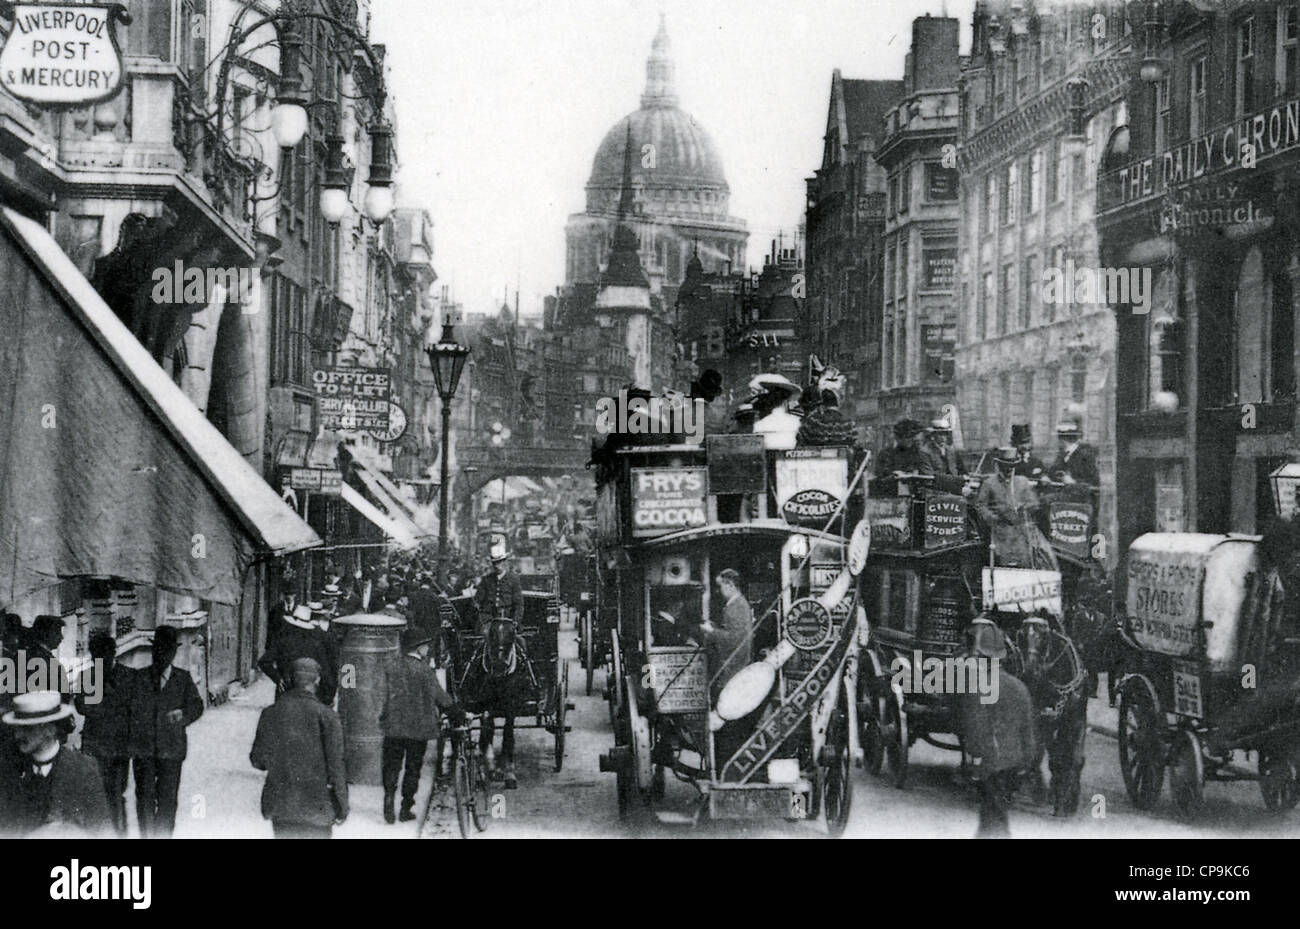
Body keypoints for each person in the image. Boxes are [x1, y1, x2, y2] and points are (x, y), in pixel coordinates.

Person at [250, 657, 348, 839]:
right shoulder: (327, 716)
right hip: (318, 807)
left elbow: (257, 760)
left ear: (289, 680)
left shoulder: (270, 713)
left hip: (282, 804)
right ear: (317, 680)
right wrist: (342, 805)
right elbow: (336, 765)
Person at [959, 618, 1037, 838]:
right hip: (1014, 764)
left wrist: (974, 763)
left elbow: (976, 732)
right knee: (997, 816)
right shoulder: (1020, 687)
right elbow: (1028, 733)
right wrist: (1026, 763)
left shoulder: (979, 687)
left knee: (993, 820)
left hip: (990, 764)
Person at [379, 628, 464, 824]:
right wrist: (456, 712)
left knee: (391, 765)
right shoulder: (425, 670)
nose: (427, 648)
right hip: (418, 729)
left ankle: (389, 797)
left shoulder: (391, 665)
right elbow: (441, 698)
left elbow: (382, 695)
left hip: (393, 727)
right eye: (425, 645)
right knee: (413, 768)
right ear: (418, 648)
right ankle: (405, 808)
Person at [126, 625, 204, 837]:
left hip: (172, 749)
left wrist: (183, 715)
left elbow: (197, 706)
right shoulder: (138, 678)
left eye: (166, 650)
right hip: (144, 750)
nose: (160, 654)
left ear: (173, 653)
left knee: (168, 800)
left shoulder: (183, 679)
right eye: (157, 650)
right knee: (144, 799)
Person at [0, 691, 110, 836]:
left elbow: (103, 830)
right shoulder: (8, 772)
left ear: (50, 730)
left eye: (28, 729)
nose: (18, 735)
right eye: (17, 728)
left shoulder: (82, 769)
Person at [75, 632, 131, 834]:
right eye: (95, 656)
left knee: (116, 794)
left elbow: (133, 708)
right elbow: (81, 705)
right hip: (93, 743)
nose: (99, 660)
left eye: (103, 655)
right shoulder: (87, 676)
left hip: (118, 747)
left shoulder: (128, 676)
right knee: (92, 792)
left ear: (113, 653)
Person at [973, 447, 1054, 568]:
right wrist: (993, 518)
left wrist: (1023, 508)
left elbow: (1034, 503)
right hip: (999, 527)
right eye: (1006, 466)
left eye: (1012, 466)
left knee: (1035, 552)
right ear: (999, 465)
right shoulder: (989, 483)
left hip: (1021, 527)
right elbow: (981, 505)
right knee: (1002, 557)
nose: (1009, 469)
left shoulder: (1022, 482)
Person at [259, 604, 339, 706]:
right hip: (311, 694)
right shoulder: (317, 642)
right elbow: (327, 672)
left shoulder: (283, 640)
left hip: (286, 692)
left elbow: (264, 662)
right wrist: (328, 697)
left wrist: (278, 679)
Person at [700, 570, 753, 698]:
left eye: (720, 586)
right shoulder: (736, 604)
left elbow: (735, 639)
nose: (718, 591)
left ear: (730, 585)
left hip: (733, 668)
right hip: (733, 666)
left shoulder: (737, 606)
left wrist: (712, 631)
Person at [474, 538, 524, 628]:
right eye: (495, 563)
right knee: (485, 634)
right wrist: (478, 607)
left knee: (519, 640)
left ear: (505, 562)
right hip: (488, 619)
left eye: (499, 562)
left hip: (508, 618)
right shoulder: (486, 580)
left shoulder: (513, 579)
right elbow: (477, 600)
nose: (497, 566)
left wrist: (516, 620)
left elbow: (519, 604)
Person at [28, 615, 70, 699]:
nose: (61, 637)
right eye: (57, 632)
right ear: (45, 633)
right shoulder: (47, 662)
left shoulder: (28, 654)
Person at [1047, 420, 1100, 488]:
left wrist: (1073, 482)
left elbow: (1094, 480)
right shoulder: (1063, 455)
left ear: (1062, 440)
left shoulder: (1084, 455)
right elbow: (1052, 472)